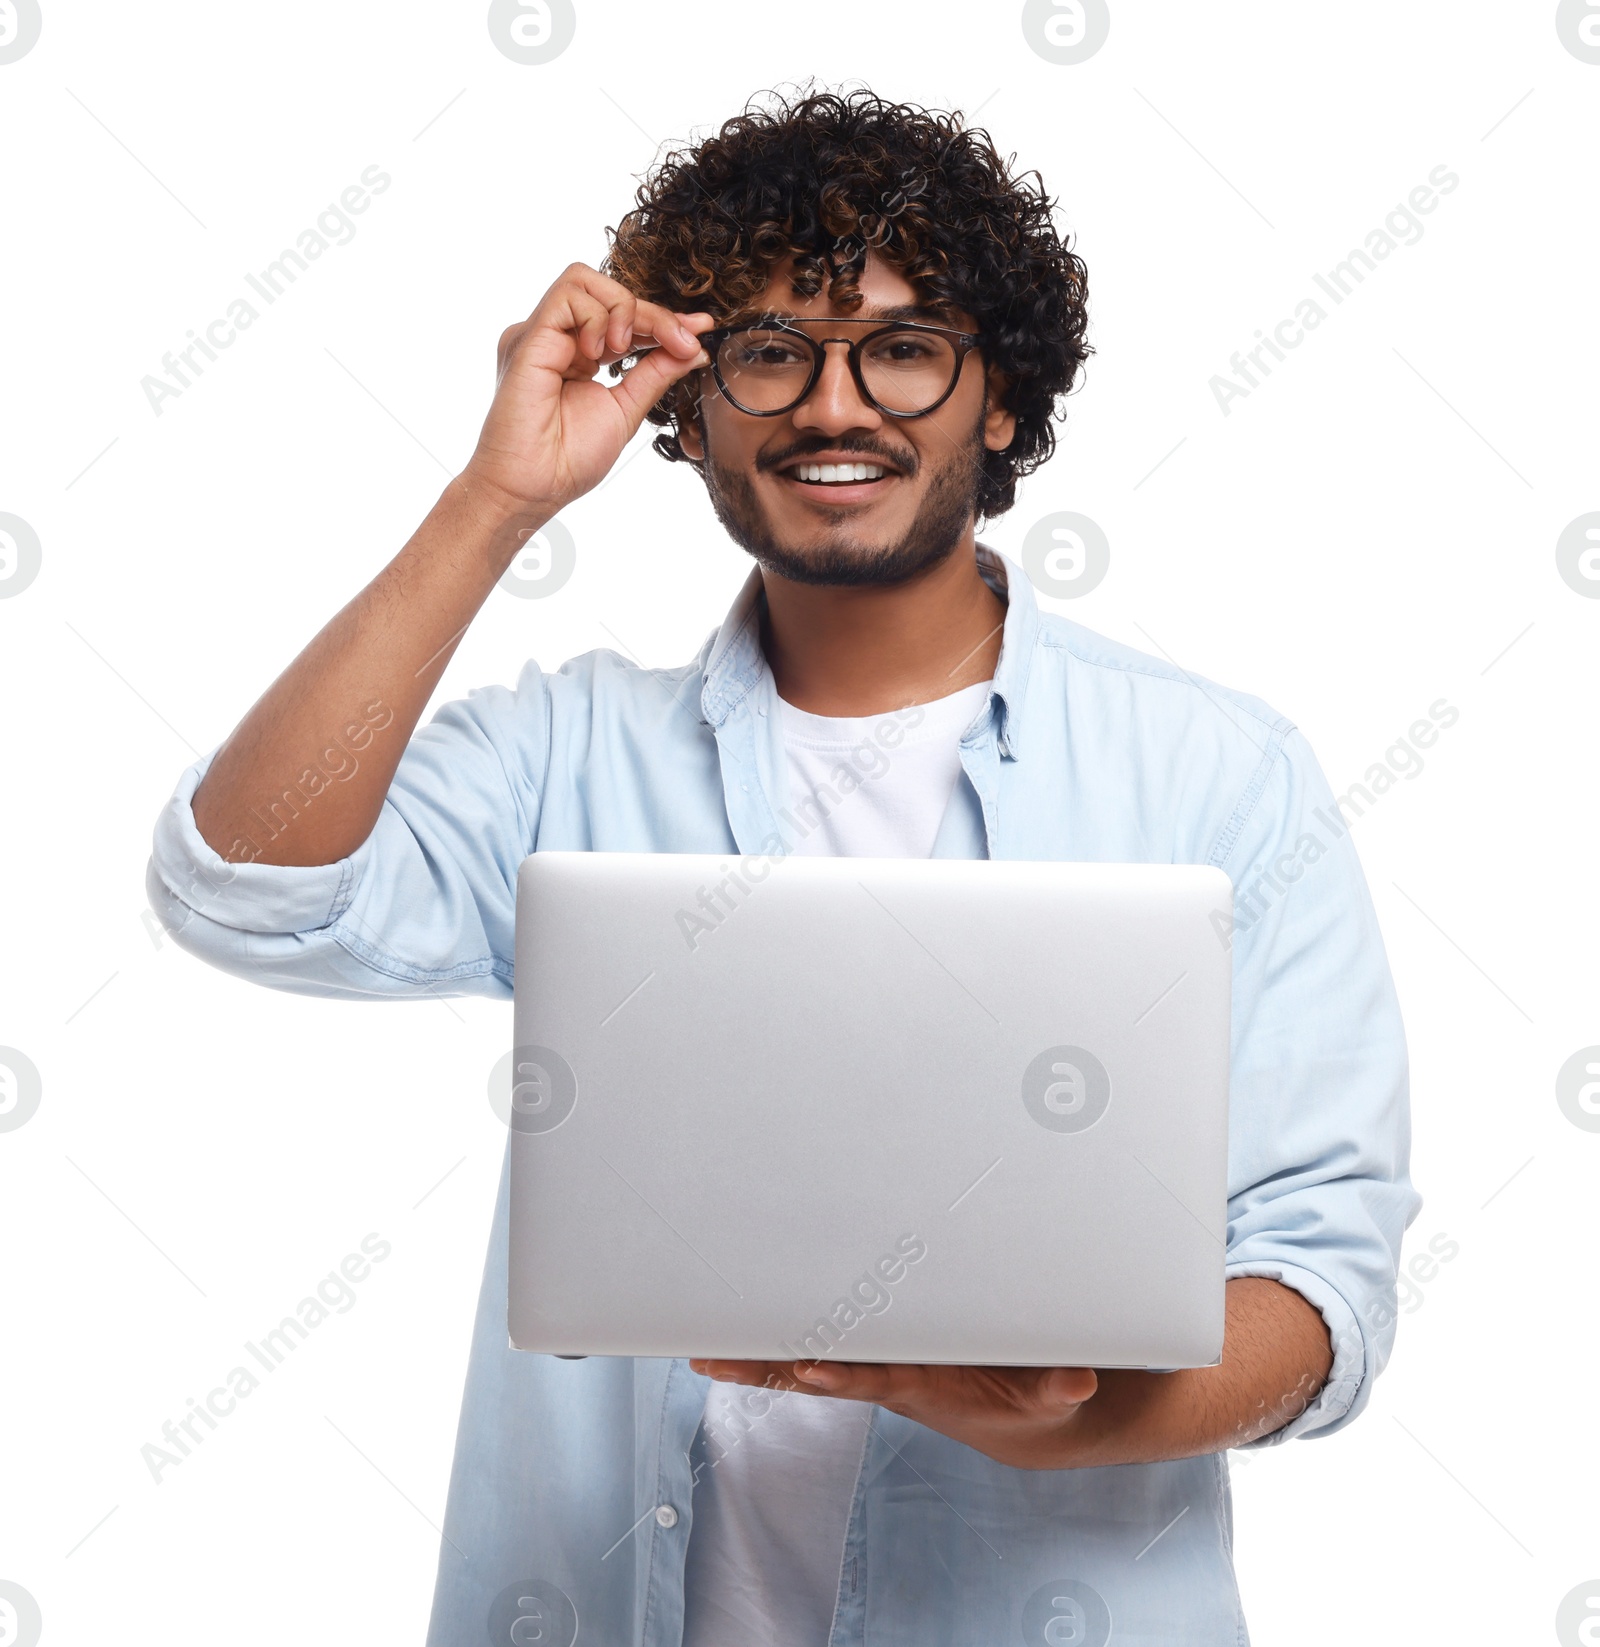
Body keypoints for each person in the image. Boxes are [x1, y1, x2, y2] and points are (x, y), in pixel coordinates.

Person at [148, 89, 1417, 1647]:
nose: (834, 407)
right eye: (769, 351)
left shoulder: (1220, 774)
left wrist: (1065, 1418)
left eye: (903, 345)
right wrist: (501, 502)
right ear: (691, 408)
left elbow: (1321, 1291)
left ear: (998, 400)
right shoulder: (571, 755)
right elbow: (241, 883)